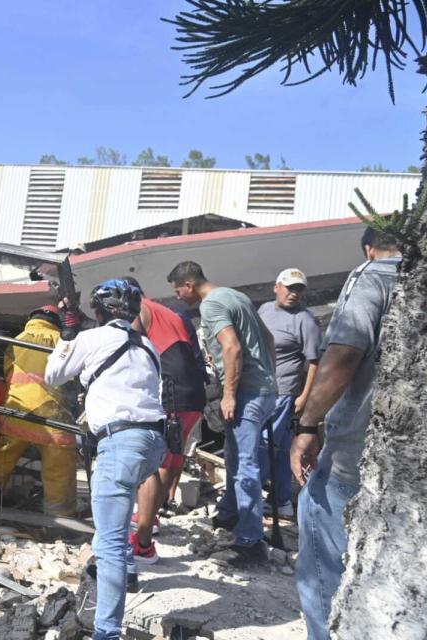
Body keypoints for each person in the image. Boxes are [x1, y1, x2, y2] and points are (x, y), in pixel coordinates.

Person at [291, 228, 401, 640]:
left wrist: (306, 427)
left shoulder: (373, 276)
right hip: (410, 470)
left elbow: (342, 356)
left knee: (323, 560)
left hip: (358, 454)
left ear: (370, 248)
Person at [44, 279, 166, 639]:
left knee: (108, 543)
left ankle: (107, 633)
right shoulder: (147, 345)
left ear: (97, 311)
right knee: (123, 507)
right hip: (152, 442)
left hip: (120, 442)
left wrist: (68, 334)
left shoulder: (92, 338)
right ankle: (128, 573)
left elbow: (54, 375)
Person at [167, 260, 276, 564]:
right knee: (235, 456)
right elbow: (269, 339)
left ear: (189, 285)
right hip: (265, 389)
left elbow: (232, 348)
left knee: (244, 467)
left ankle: (251, 542)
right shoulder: (235, 296)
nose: (178, 298)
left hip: (247, 392)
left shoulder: (211, 305)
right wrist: (269, 375)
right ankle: (228, 515)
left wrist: (229, 394)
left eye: (178, 291)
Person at [123, 276, 207, 565]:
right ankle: (151, 518)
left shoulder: (138, 309)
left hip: (170, 389)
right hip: (193, 391)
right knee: (171, 457)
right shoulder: (171, 312)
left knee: (151, 461)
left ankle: (143, 540)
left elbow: (130, 350)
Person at [0, 305, 79, 516]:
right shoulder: (64, 342)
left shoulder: (17, 340)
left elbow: (8, 373)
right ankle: (60, 515)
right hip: (52, 414)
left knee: (1, 456)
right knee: (59, 464)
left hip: (17, 412)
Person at [258, 268, 321, 518]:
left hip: (284, 392)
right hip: (261, 388)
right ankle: (282, 500)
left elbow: (314, 361)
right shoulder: (263, 310)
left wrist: (304, 397)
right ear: (277, 287)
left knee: (263, 444)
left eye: (298, 289)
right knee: (282, 448)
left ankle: (249, 496)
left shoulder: (305, 320)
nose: (293, 294)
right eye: (289, 287)